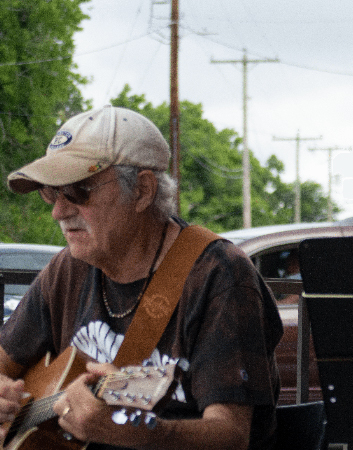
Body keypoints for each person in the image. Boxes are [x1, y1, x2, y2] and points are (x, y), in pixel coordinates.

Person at [0, 105, 283, 449]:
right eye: (52, 192)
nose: (58, 211)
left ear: (142, 191)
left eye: (78, 191)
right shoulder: (67, 271)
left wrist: (143, 434)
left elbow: (231, 436)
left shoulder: (218, 274)